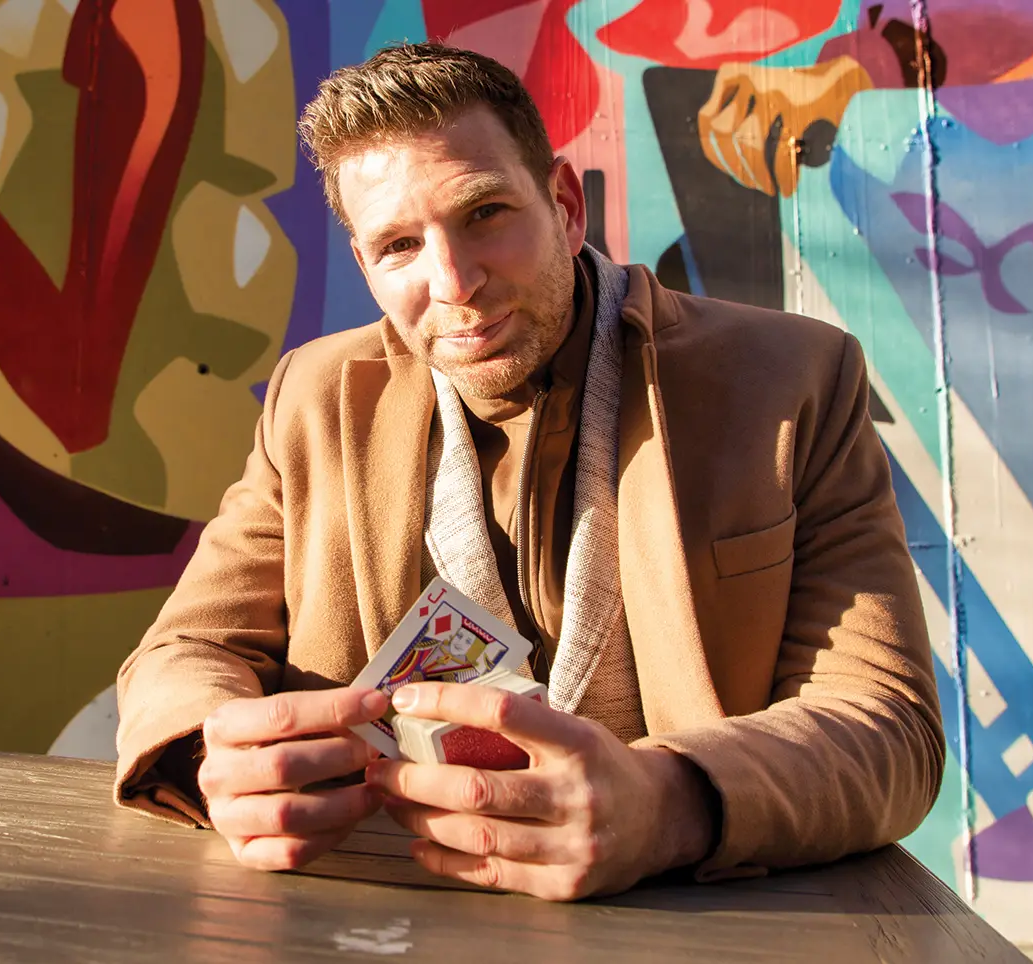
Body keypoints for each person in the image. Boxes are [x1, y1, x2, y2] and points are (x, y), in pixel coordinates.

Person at [113, 42, 946, 900]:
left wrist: (668, 803)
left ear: (565, 204)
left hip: (698, 923)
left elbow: (886, 729)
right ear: (366, 267)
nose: (455, 282)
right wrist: (215, 754)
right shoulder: (313, 400)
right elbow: (186, 649)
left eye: (483, 215)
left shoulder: (791, 381)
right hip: (380, 914)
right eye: (399, 245)